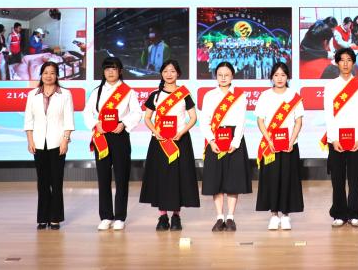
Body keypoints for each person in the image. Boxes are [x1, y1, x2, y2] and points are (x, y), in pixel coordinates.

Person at [139, 60, 199, 231]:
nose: (169, 74)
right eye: (165, 71)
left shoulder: (184, 94)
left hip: (180, 141)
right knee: (161, 177)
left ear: (178, 73)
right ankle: (163, 216)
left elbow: (193, 117)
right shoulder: (155, 95)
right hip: (160, 142)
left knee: (178, 178)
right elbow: (147, 118)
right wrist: (156, 131)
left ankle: (176, 216)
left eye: (172, 71)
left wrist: (182, 132)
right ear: (161, 73)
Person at [84, 57, 140, 231]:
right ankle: (106, 216)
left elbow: (137, 112)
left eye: (114, 68)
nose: (110, 72)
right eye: (107, 69)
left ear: (120, 71)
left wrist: (124, 124)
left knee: (122, 178)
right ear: (103, 71)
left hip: (120, 136)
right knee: (103, 178)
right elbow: (87, 112)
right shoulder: (97, 91)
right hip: (101, 137)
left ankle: (120, 217)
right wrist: (96, 124)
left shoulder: (128, 91)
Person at [200, 62, 252, 232]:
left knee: (232, 180)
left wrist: (235, 142)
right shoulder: (209, 95)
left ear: (232, 76)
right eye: (220, 75)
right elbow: (204, 121)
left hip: (234, 140)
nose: (223, 78)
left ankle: (230, 217)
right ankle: (219, 217)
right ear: (216, 76)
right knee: (216, 180)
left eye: (226, 75)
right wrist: (211, 140)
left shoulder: (239, 95)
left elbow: (241, 120)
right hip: (215, 140)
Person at [23, 62, 74, 230]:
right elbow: (28, 120)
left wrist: (65, 140)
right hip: (38, 143)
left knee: (56, 181)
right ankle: (43, 217)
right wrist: (30, 140)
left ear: (57, 75)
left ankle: (55, 218)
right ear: (41, 75)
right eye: (45, 72)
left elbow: (69, 119)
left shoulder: (65, 94)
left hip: (57, 142)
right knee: (42, 182)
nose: (48, 76)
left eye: (52, 73)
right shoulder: (33, 94)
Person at [255, 62, 305, 230]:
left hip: (290, 145)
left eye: (283, 75)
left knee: (288, 179)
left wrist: (291, 141)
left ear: (288, 77)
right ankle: (274, 215)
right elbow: (260, 120)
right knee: (272, 179)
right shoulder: (265, 96)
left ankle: (286, 215)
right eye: (276, 75)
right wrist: (268, 139)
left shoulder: (294, 96)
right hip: (270, 145)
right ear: (271, 77)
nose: (279, 78)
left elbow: (298, 121)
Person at [324, 48, 358, 227]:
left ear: (353, 63)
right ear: (337, 63)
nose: (345, 63)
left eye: (349, 60)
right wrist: (333, 138)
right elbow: (328, 114)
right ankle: (339, 214)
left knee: (355, 179)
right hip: (336, 140)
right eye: (342, 60)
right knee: (337, 178)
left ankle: (355, 214)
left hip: (357, 140)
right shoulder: (330, 86)